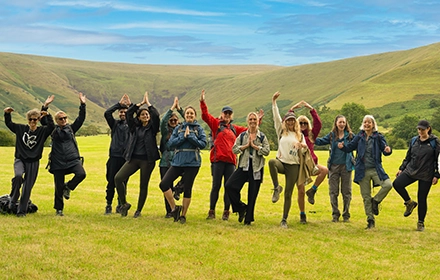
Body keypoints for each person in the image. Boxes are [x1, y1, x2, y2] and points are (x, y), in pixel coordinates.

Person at [338, 115, 393, 229]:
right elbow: (350, 147)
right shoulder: (360, 136)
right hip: (362, 170)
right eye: (365, 122)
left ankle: (376, 201)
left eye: (369, 122)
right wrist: (342, 147)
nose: (367, 124)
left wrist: (388, 150)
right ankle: (370, 220)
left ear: (373, 124)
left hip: (376, 169)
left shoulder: (378, 137)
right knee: (366, 196)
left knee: (388, 185)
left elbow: (385, 149)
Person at [200, 89, 247, 220]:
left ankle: (226, 212)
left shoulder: (234, 128)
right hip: (217, 161)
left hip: (231, 161)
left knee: (228, 186)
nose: (227, 115)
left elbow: (248, 130)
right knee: (216, 186)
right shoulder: (216, 124)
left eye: (229, 113)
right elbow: (205, 116)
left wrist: (257, 120)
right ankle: (211, 211)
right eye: (225, 113)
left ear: (232, 116)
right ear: (221, 114)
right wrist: (202, 101)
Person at [4, 95, 55, 217]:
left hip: (33, 161)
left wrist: (47, 115)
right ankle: (13, 198)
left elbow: (51, 127)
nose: (32, 122)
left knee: (27, 187)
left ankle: (21, 211)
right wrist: (6, 113)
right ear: (27, 120)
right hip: (20, 159)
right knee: (17, 176)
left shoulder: (42, 131)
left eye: (35, 120)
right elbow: (9, 123)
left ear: (38, 120)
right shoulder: (21, 129)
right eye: (30, 119)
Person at [114, 91, 160, 217]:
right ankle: (124, 204)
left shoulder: (153, 128)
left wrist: (148, 104)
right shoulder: (135, 127)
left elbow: (156, 115)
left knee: (143, 185)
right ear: (139, 117)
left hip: (147, 160)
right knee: (118, 178)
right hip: (133, 158)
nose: (145, 116)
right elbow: (129, 113)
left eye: (147, 114)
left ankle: (138, 211)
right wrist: (138, 105)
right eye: (143, 114)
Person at [159, 106, 207, 224]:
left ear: (195, 116)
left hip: (193, 163)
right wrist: (182, 137)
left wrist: (190, 137)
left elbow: (203, 144)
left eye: (191, 113)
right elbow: (170, 144)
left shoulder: (199, 128)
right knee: (164, 184)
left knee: (187, 188)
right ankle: (175, 209)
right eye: (187, 113)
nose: (189, 115)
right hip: (178, 161)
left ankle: (183, 215)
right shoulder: (179, 128)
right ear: (184, 116)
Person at [393, 120, 440, 231]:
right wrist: (401, 168)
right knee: (397, 184)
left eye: (422, 129)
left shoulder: (434, 142)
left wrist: (437, 175)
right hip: (411, 170)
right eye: (419, 129)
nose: (420, 131)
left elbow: (438, 159)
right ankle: (409, 203)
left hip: (426, 173)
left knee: (422, 198)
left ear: (428, 129)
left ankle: (420, 223)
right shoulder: (414, 140)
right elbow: (408, 156)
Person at [269, 92, 308, 228]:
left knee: (288, 193)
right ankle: (276, 187)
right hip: (282, 162)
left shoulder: (300, 135)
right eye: (288, 120)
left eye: (293, 120)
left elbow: (305, 151)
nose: (290, 122)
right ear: (286, 122)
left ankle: (284, 220)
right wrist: (274, 102)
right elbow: (276, 117)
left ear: (295, 122)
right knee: (271, 162)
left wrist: (301, 145)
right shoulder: (281, 131)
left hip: (294, 166)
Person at [225, 112, 270, 225]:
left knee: (252, 194)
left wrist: (255, 147)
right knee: (230, 186)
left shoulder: (262, 136)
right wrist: (246, 146)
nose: (253, 121)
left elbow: (267, 151)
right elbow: (234, 149)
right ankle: (241, 208)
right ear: (247, 121)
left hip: (257, 167)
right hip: (244, 165)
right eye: (250, 119)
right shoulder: (242, 136)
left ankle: (248, 220)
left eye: (254, 119)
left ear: (258, 121)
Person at [48, 92, 87, 216]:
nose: (63, 120)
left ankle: (68, 186)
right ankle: (59, 210)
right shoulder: (53, 130)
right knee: (58, 186)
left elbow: (81, 119)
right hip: (58, 161)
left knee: (81, 174)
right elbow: (44, 121)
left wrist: (82, 104)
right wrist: (45, 106)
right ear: (57, 121)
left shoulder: (71, 129)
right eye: (61, 118)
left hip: (73, 159)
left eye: (65, 118)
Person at [285, 100, 328, 206]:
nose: (303, 125)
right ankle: (302, 214)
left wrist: (311, 109)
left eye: (305, 123)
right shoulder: (294, 134)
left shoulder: (311, 135)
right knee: (301, 191)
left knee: (324, 171)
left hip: (311, 164)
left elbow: (318, 123)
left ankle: (312, 190)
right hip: (299, 166)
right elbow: (285, 121)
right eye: (300, 123)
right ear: (297, 124)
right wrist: (292, 109)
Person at [315, 115, 355, 222]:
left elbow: (359, 144)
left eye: (343, 122)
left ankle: (346, 215)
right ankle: (335, 214)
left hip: (347, 166)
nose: (342, 124)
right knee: (333, 191)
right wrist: (310, 136)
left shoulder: (350, 136)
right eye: (340, 122)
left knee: (346, 192)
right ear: (336, 123)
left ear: (346, 124)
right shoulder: (332, 136)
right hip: (333, 166)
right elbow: (319, 141)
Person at [103, 94, 131, 215]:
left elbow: (139, 114)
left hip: (126, 158)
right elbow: (107, 113)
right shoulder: (114, 125)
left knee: (123, 183)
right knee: (110, 182)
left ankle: (121, 204)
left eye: (125, 112)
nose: (123, 114)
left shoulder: (132, 125)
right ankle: (108, 205)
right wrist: (119, 105)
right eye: (121, 112)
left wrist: (130, 107)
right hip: (114, 157)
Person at [159, 97, 184, 218]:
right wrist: (171, 109)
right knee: (166, 186)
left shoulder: (181, 129)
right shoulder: (165, 131)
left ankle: (178, 189)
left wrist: (179, 109)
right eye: (171, 120)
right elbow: (163, 121)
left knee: (186, 176)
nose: (173, 121)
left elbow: (190, 119)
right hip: (165, 161)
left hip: (179, 159)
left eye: (175, 120)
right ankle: (170, 210)